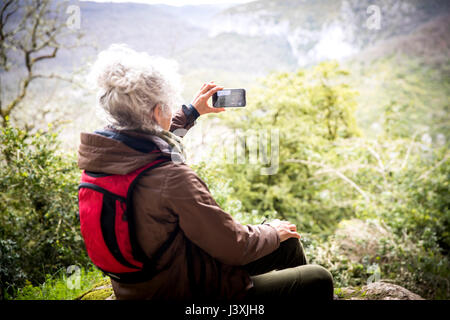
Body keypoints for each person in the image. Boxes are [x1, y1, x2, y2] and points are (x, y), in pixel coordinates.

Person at [78, 44, 334, 302]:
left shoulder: (103, 162)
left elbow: (151, 141)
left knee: (286, 243)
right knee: (316, 277)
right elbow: (233, 246)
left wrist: (190, 113)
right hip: (187, 291)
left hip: (144, 286)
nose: (171, 108)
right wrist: (272, 231)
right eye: (168, 105)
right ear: (157, 112)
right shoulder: (172, 178)